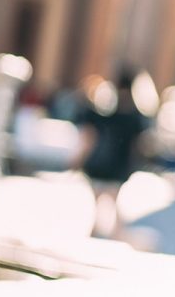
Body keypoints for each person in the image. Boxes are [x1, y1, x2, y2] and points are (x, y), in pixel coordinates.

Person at [72, 67, 151, 238]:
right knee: (114, 205)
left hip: (98, 166)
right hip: (118, 167)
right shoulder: (135, 117)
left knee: (98, 203)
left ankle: (96, 231)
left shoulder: (104, 111)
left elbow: (89, 136)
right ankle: (114, 234)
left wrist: (78, 160)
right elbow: (139, 146)